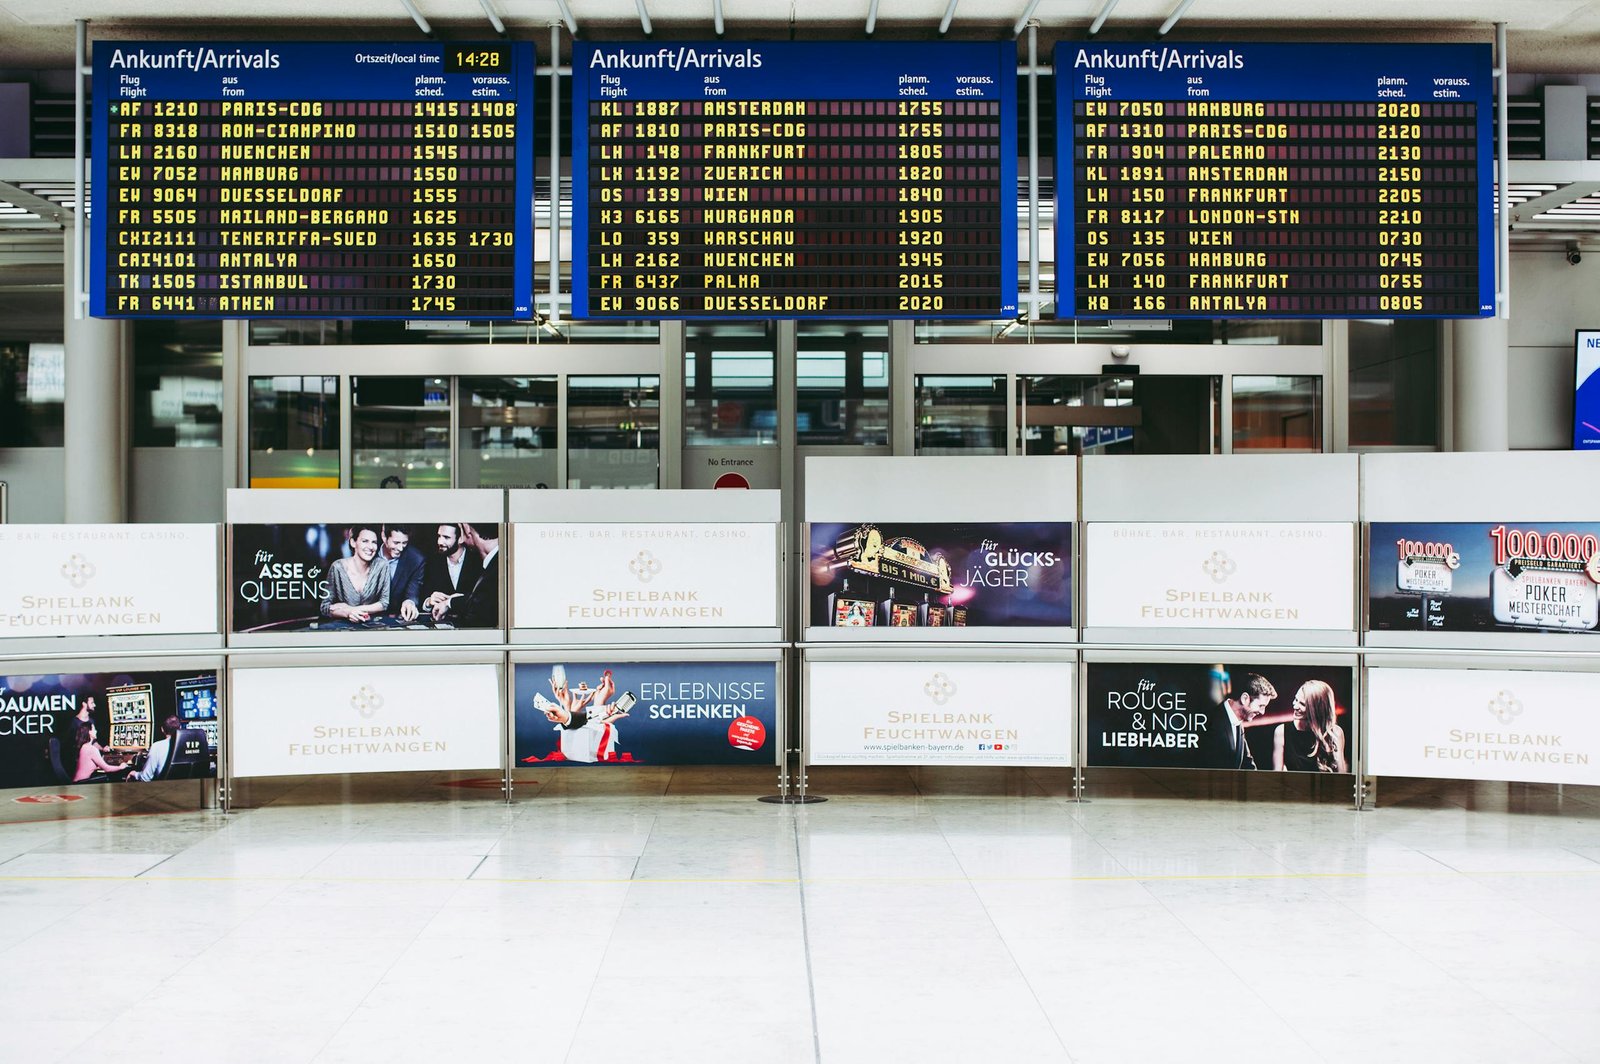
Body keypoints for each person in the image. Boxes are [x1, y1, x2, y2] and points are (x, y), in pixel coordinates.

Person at [1200, 671, 1276, 771]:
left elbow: (1248, 763)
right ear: (1245, 698)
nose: (1262, 712)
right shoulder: (1212, 720)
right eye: (1261, 706)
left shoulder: (1237, 723)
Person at [1273, 680, 1348, 773]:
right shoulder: (1281, 731)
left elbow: (1341, 776)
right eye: (1296, 699)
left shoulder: (1335, 733)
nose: (1295, 706)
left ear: (1317, 708)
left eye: (1302, 704)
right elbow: (1277, 775)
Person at [433, 521, 498, 628]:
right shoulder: (496, 560)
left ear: (467, 530)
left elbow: (482, 605)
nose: (440, 541)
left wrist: (450, 602)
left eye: (446, 537)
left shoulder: (496, 566)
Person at [321, 525, 391, 623]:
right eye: (365, 541)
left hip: (373, 625)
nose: (371, 547)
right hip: (343, 628)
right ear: (353, 542)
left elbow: (384, 603)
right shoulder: (337, 567)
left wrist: (350, 608)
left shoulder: (382, 565)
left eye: (374, 542)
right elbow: (325, 607)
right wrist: (348, 612)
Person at [420, 523, 481, 618]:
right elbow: (423, 596)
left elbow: (483, 600)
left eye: (446, 537)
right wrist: (428, 601)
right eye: (439, 536)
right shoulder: (433, 561)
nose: (440, 541)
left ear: (461, 539)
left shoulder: (477, 561)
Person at [380, 526, 428, 623]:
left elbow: (413, 592)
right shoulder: (369, 551)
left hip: (395, 618)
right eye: (396, 543)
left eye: (404, 543)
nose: (401, 548)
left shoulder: (416, 559)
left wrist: (410, 602)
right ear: (384, 537)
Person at [131, 716, 181, 782]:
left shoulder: (157, 746)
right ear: (180, 728)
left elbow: (145, 778)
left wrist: (134, 774)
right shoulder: (188, 744)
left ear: (162, 729)